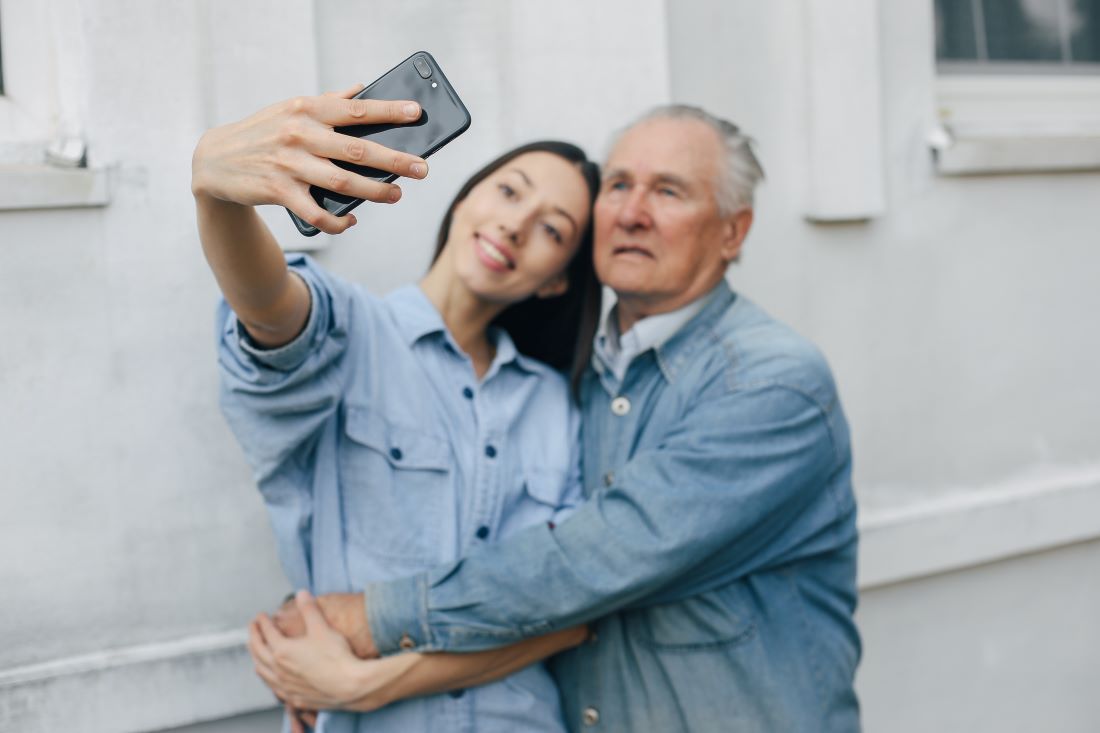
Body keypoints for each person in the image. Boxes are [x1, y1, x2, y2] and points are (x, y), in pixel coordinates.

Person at [268, 104, 863, 732]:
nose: (633, 213)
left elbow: (588, 564)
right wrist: (322, 626)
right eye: (620, 185)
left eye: (668, 191)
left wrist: (363, 622)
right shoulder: (573, 382)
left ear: (731, 233)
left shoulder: (773, 384)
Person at [191, 85, 605, 732]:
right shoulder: (350, 332)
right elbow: (269, 305)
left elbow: (568, 610)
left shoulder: (554, 403)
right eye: (509, 190)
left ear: (558, 278)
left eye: (554, 229)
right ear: (467, 196)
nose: (517, 223)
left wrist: (367, 682)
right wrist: (216, 194)